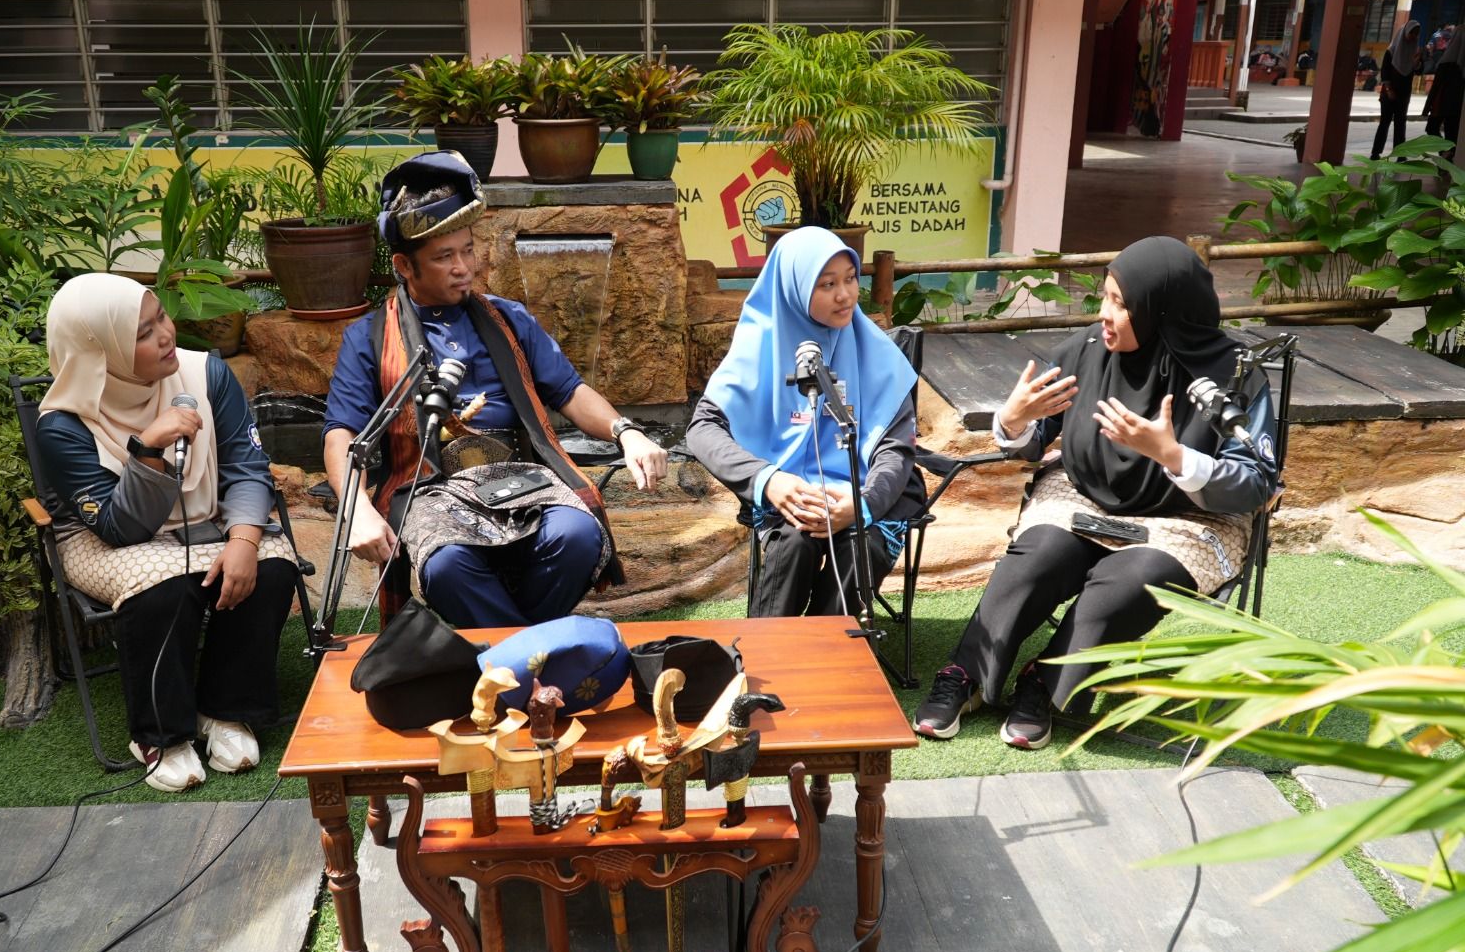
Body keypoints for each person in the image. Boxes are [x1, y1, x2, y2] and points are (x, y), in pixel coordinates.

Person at [912, 237, 1276, 751]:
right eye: (1105, 297)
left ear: (1162, 310)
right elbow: (1034, 438)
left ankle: (1044, 683)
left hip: (1190, 518)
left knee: (1132, 579)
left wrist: (1173, 455)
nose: (1104, 314)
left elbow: (1256, 480)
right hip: (1082, 494)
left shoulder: (1232, 376)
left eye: (1121, 304)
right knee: (1037, 557)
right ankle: (966, 673)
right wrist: (1012, 421)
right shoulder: (1088, 350)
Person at [321, 151, 667, 629]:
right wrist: (356, 509)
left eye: (467, 250)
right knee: (447, 565)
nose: (463, 267)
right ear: (404, 265)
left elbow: (569, 391)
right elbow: (342, 434)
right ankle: (535, 654)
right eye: (444, 257)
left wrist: (628, 432)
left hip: (521, 475)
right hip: (430, 486)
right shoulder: (369, 338)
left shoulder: (509, 318)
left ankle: (503, 657)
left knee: (577, 536)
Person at [37, 274, 298, 791]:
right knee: (163, 584)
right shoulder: (63, 426)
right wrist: (149, 451)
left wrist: (244, 541)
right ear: (101, 353)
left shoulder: (207, 375)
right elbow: (121, 528)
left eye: (161, 317)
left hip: (208, 518)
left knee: (272, 566)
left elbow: (247, 468)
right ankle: (161, 734)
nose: (165, 335)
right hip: (105, 537)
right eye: (142, 332)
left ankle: (224, 711)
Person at [685, 226, 923, 618]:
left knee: (861, 548)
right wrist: (768, 480)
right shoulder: (759, 345)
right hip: (789, 493)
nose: (845, 294)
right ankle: (765, 652)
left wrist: (861, 504)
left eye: (850, 279)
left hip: (865, 491)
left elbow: (895, 448)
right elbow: (702, 429)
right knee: (794, 544)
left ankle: (832, 648)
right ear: (793, 289)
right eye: (827, 284)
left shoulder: (878, 353)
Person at [1373, 20, 1422, 158]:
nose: (1414, 36)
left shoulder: (1415, 51)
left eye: (1416, 34)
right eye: (1412, 33)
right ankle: (1375, 153)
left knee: (1400, 124)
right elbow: (1385, 71)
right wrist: (1389, 90)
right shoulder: (1391, 51)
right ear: (1405, 32)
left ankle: (1401, 154)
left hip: (1404, 93)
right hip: (1389, 92)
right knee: (1384, 123)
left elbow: (1419, 71)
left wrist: (1417, 63)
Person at [1423, 31, 1464, 147]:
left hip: (1442, 106)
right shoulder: (1448, 62)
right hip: (1450, 107)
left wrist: (1427, 108)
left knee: (1434, 129)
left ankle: (1446, 153)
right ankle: (1447, 153)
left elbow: (1436, 88)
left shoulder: (1445, 61)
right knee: (1451, 135)